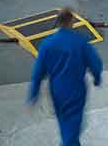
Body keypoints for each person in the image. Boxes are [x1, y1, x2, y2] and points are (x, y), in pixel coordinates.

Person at [26, 7, 103, 146]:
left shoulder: (47, 44)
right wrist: (97, 78)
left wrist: (33, 93)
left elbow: (38, 72)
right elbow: (95, 63)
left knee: (66, 125)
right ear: (71, 21)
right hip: (75, 90)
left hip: (57, 92)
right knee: (72, 129)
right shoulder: (80, 41)